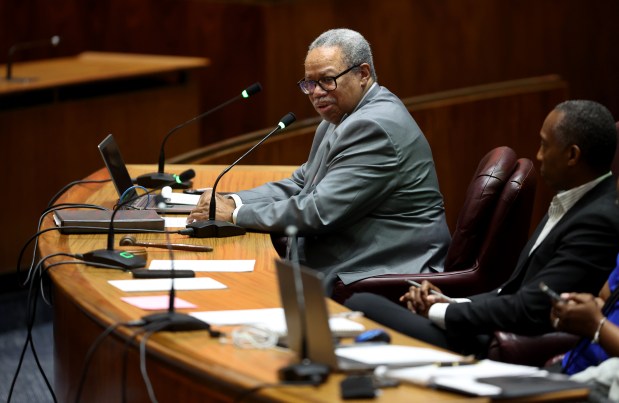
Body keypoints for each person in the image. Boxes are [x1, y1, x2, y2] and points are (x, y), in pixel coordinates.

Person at [345, 99, 619, 356]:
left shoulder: (597, 220)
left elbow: (534, 308)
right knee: (363, 305)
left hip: (505, 344)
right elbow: (510, 292)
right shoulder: (573, 199)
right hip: (490, 325)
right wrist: (448, 302)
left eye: (545, 145)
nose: (538, 155)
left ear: (572, 155)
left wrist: (441, 313)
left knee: (362, 305)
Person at [187, 28, 451, 293]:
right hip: (350, 254)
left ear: (363, 74)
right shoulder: (342, 116)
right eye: (309, 83)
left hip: (385, 268)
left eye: (327, 80)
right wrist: (234, 201)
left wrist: (234, 215)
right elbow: (302, 181)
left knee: (242, 288)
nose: (316, 93)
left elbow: (318, 211)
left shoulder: (373, 126)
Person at [550, 259, 619, 401]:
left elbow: (598, 322)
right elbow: (605, 298)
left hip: (608, 387)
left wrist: (596, 325)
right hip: (574, 368)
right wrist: (574, 311)